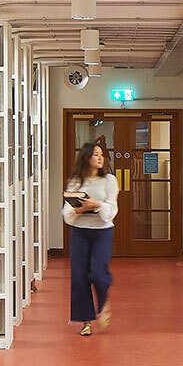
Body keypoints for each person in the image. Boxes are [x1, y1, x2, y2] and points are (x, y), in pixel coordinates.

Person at [62, 139, 119, 337]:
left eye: (102, 155)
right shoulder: (75, 181)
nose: (100, 158)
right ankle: (85, 321)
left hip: (102, 232)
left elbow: (112, 210)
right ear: (86, 157)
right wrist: (80, 210)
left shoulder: (109, 180)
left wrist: (97, 205)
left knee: (98, 272)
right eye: (96, 154)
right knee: (79, 278)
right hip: (79, 232)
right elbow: (67, 213)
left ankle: (103, 303)